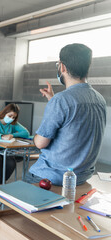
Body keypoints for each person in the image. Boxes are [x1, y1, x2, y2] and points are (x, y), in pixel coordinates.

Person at [25, 43, 106, 186]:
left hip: (51, 177)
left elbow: (40, 143)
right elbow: (73, 124)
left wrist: (55, 102)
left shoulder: (62, 100)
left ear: (62, 67)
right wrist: (53, 100)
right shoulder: (99, 99)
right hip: (81, 177)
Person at [0, 103, 29, 184]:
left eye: (14, 117)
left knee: (11, 163)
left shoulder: (12, 123)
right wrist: (2, 136)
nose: (11, 118)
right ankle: (0, 184)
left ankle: (0, 183)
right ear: (5, 113)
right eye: (10, 115)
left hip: (4, 149)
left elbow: (26, 133)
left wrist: (12, 135)